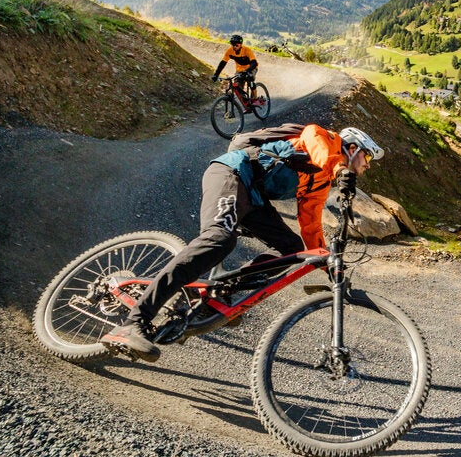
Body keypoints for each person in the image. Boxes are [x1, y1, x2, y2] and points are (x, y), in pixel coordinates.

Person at [101, 124, 384, 361]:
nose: (366, 168)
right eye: (367, 160)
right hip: (232, 174)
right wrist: (339, 168)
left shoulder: (320, 183)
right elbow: (314, 140)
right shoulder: (326, 139)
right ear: (354, 147)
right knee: (218, 240)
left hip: (254, 199)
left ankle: (219, 294)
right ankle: (134, 323)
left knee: (294, 249)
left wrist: (329, 265)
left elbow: (310, 226)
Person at [212, 34, 260, 104]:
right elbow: (223, 63)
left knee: (250, 79)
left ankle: (256, 100)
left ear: (241, 44)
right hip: (240, 70)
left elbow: (254, 63)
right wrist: (216, 74)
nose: (234, 47)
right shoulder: (230, 51)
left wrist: (247, 71)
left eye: (236, 45)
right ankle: (246, 103)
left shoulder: (247, 50)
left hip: (251, 68)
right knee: (237, 87)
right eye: (233, 45)